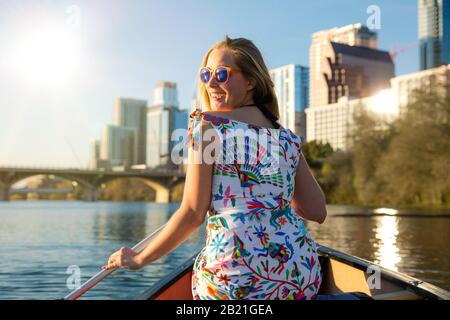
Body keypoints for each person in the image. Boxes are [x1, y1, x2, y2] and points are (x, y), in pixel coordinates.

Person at [103, 36, 327, 300]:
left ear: (251, 81)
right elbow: (316, 211)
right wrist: (272, 195)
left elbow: (192, 214)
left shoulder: (207, 127)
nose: (210, 82)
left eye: (222, 74)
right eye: (206, 74)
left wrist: (139, 258)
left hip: (236, 281)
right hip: (301, 275)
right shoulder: (287, 138)